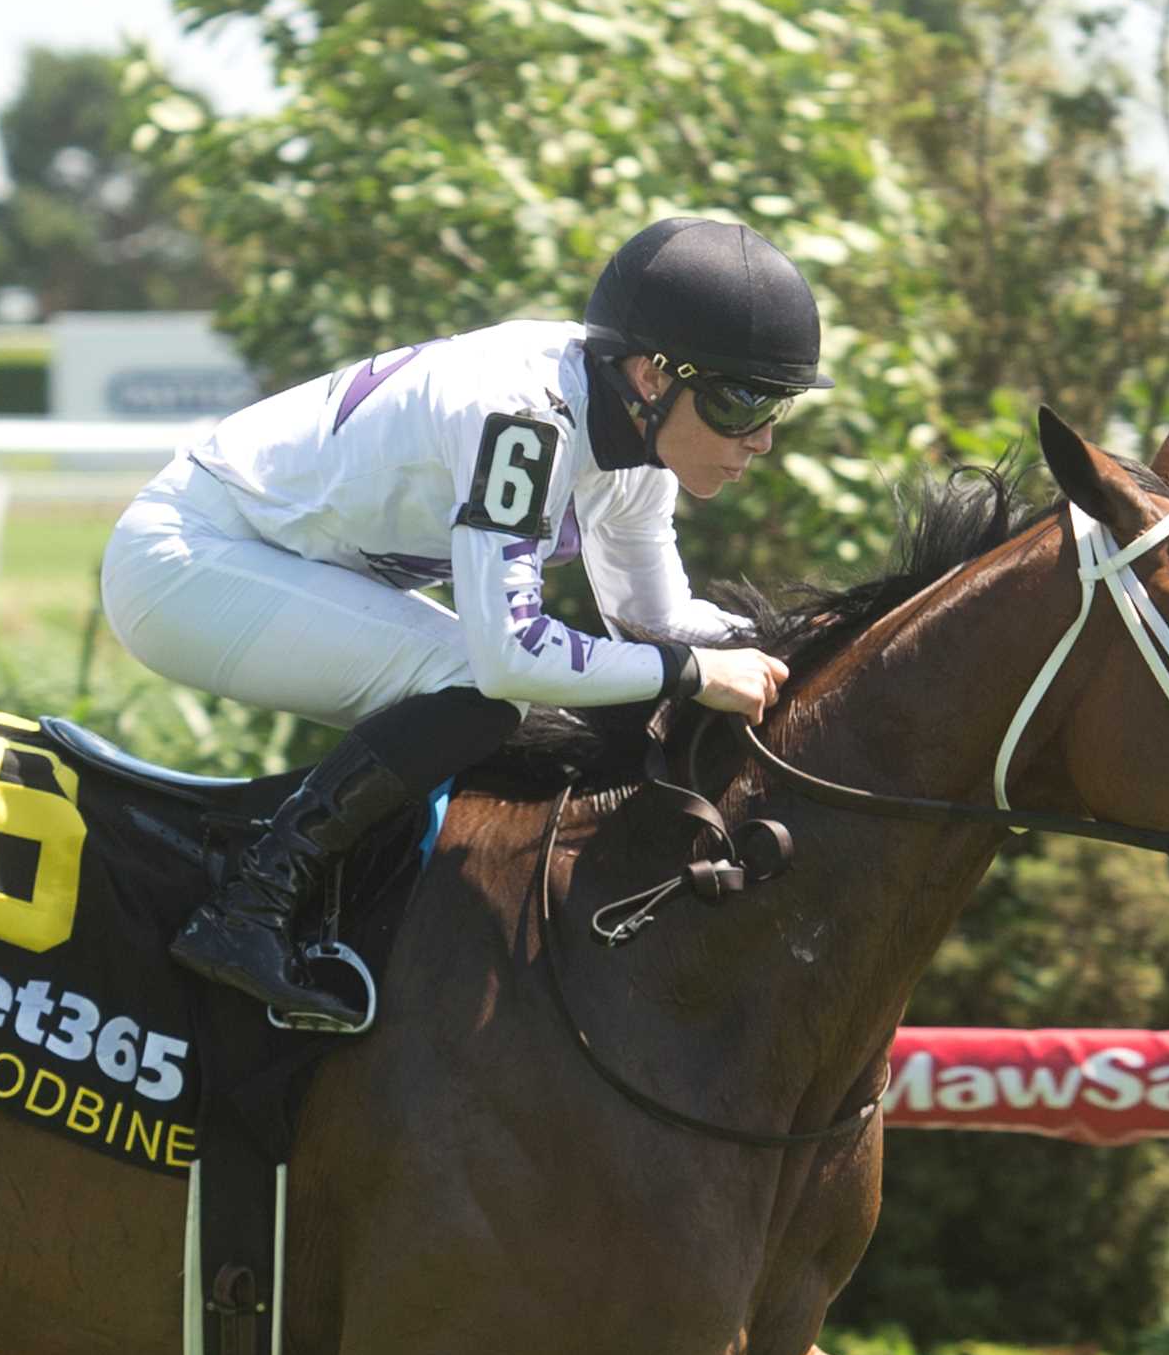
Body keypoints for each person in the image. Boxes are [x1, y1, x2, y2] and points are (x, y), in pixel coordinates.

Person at [99, 215, 820, 1024]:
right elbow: (510, 653)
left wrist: (801, 654)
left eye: (777, 407)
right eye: (739, 403)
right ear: (653, 377)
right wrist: (693, 672)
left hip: (262, 561)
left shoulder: (636, 440)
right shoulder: (527, 416)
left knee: (506, 702)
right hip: (185, 563)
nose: (759, 440)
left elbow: (652, 622)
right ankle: (250, 906)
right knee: (484, 687)